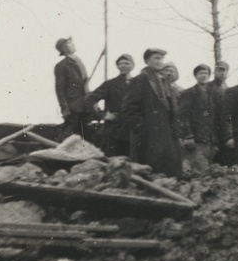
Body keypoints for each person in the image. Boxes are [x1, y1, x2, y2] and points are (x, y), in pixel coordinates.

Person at [123, 48, 184, 177]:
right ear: (147, 61)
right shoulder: (141, 80)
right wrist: (141, 129)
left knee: (169, 172)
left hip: (167, 132)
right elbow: (129, 108)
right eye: (156, 58)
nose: (160, 61)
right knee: (149, 172)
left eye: (161, 58)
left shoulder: (164, 81)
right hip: (149, 135)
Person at [84, 53, 134, 157]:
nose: (123, 65)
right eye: (120, 64)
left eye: (126, 63)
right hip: (114, 132)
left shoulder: (138, 83)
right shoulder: (110, 84)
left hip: (133, 132)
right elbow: (89, 99)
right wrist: (102, 115)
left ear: (132, 65)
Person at [178, 64, 222, 173]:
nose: (203, 76)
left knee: (209, 171)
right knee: (199, 170)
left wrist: (215, 141)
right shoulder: (188, 93)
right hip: (196, 139)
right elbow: (183, 116)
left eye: (206, 73)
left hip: (210, 140)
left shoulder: (213, 94)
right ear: (195, 76)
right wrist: (188, 136)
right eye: (200, 73)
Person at [53, 37, 89, 141]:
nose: (73, 45)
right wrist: (65, 108)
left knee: (84, 134)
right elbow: (60, 90)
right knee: (70, 134)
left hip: (84, 105)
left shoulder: (78, 62)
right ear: (64, 48)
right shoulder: (61, 66)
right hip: (73, 107)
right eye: (70, 43)